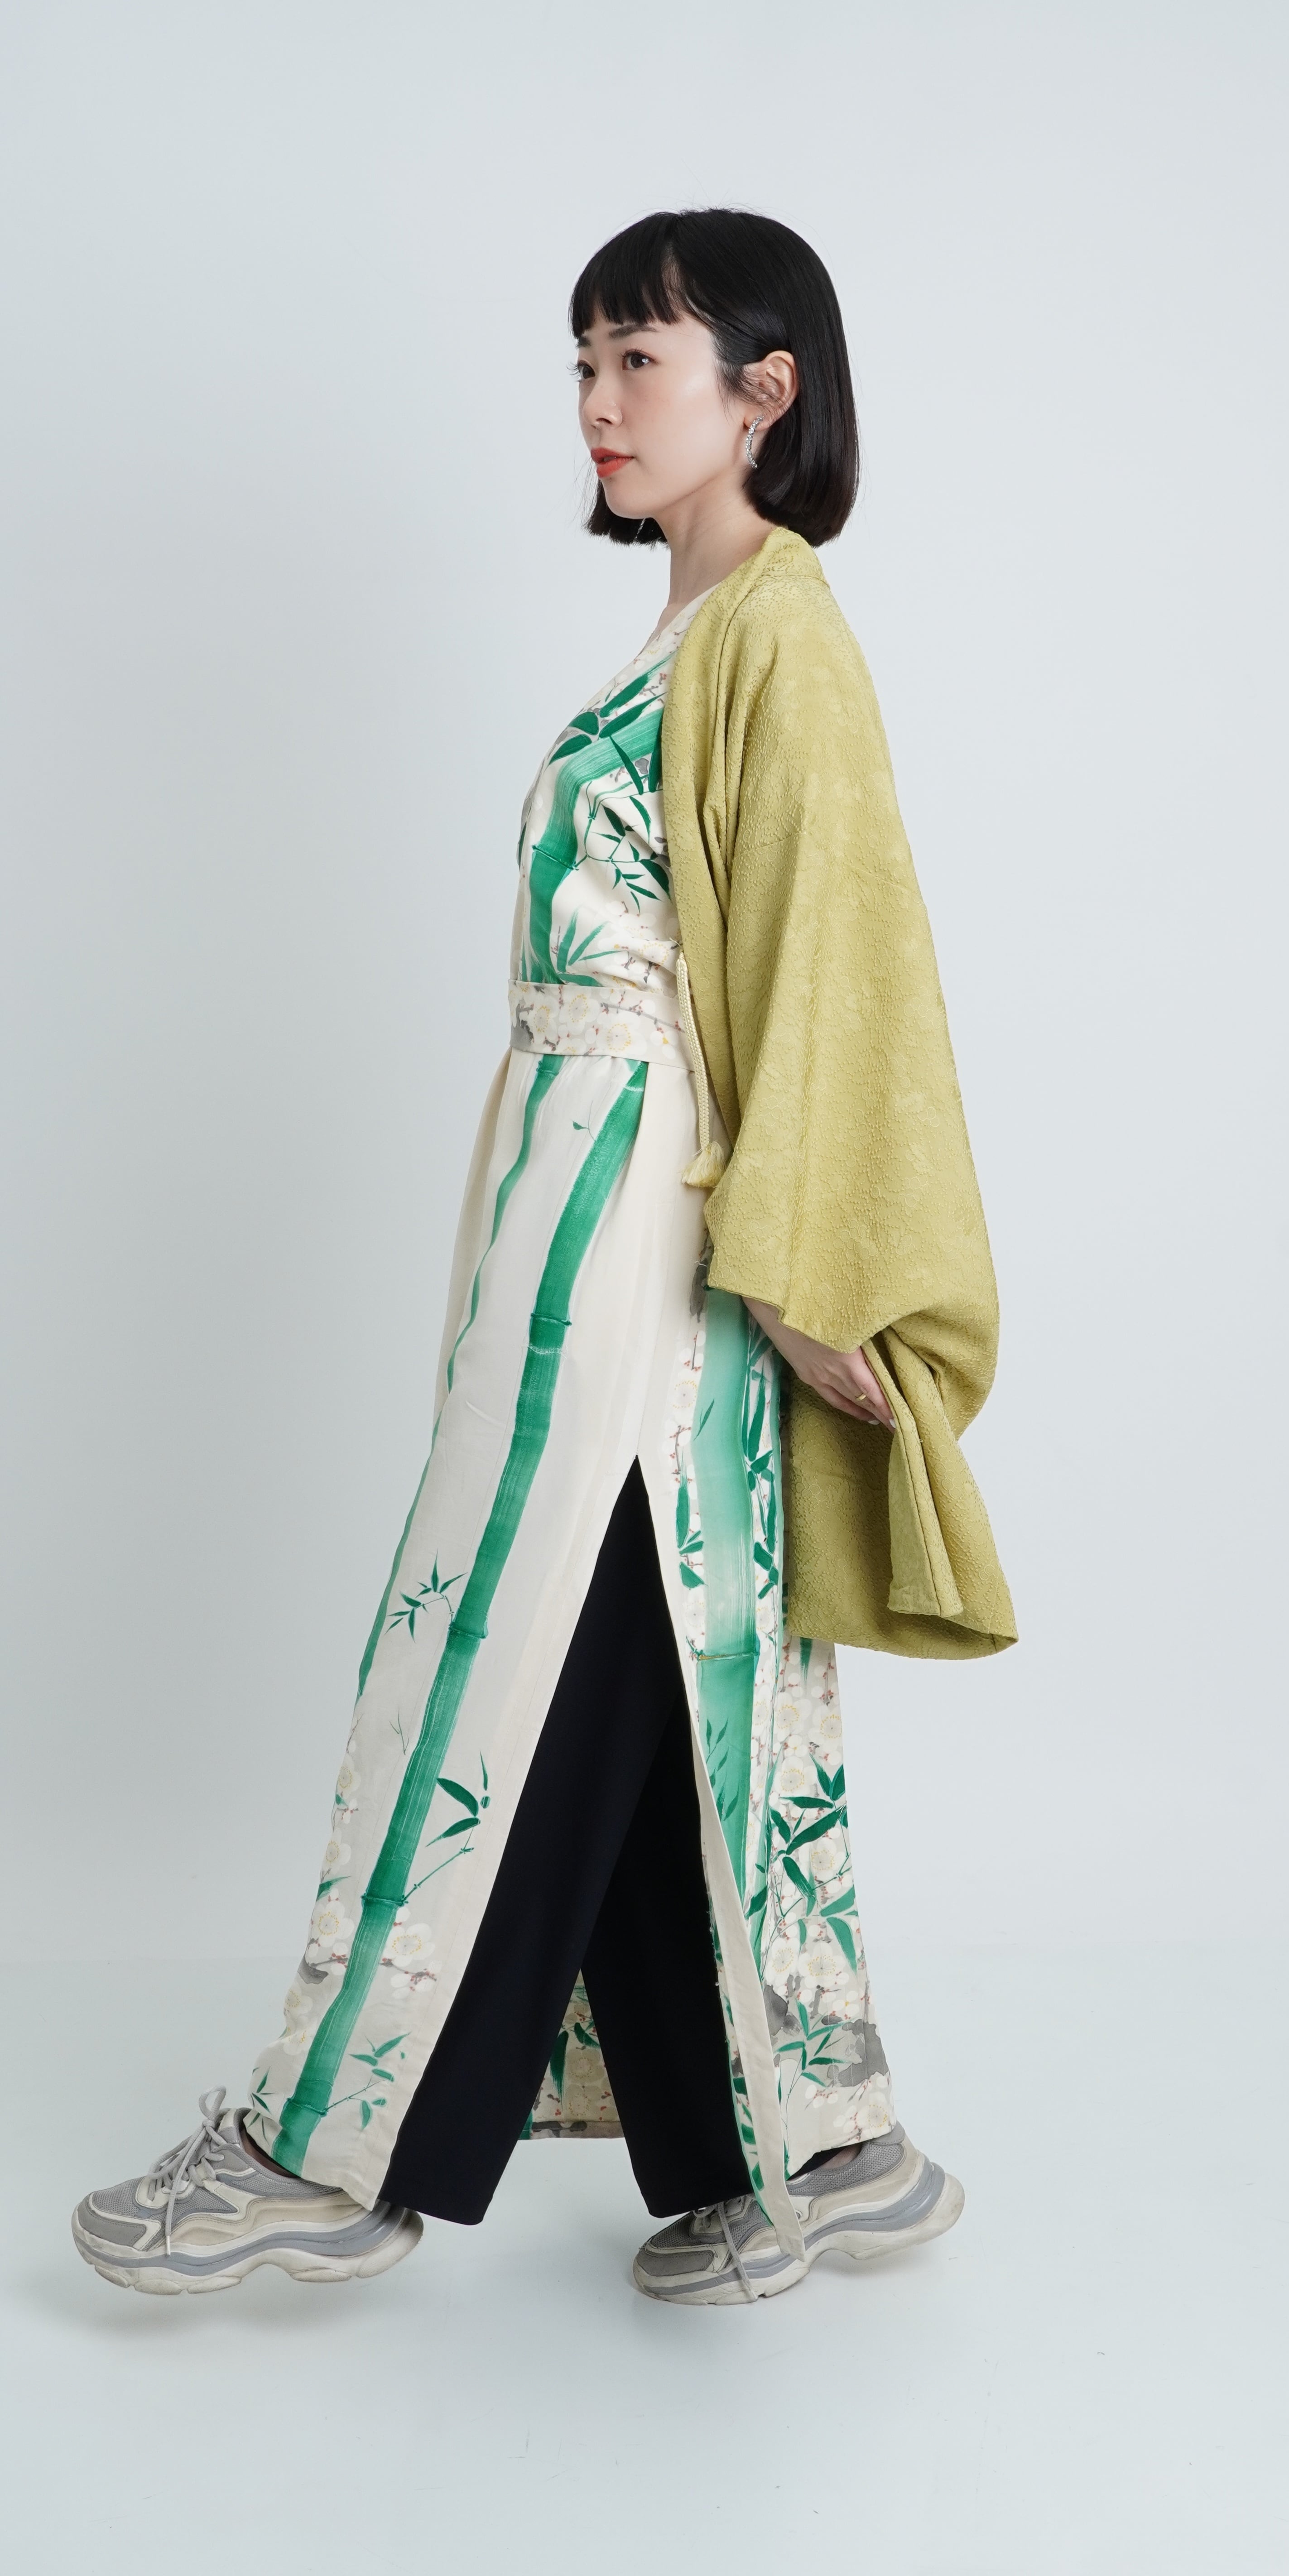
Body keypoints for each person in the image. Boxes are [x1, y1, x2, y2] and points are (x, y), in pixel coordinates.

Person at [70, 208, 1014, 2309]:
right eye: (581, 364)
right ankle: (811, 2144)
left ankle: (328, 2144)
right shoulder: (691, 633)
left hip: (655, 1213)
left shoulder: (778, 633)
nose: (594, 403)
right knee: (652, 1646)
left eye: (636, 362)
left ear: (763, 393)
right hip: (576, 1190)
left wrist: (808, 1265)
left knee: (507, 1629)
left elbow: (837, 957)